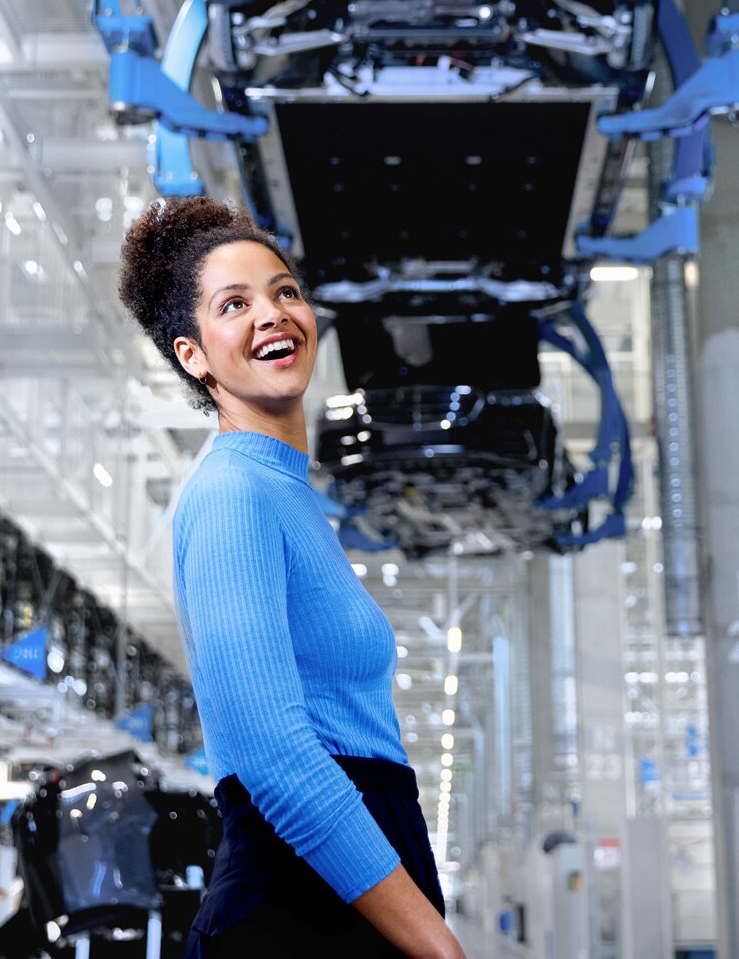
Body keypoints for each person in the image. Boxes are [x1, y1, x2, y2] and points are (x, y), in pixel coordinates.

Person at [118, 197, 466, 959]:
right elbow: (276, 756)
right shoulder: (233, 493)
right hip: (295, 902)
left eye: (285, 292)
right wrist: (440, 947)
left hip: (341, 887)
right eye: (234, 304)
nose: (273, 315)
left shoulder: (287, 494)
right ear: (194, 356)